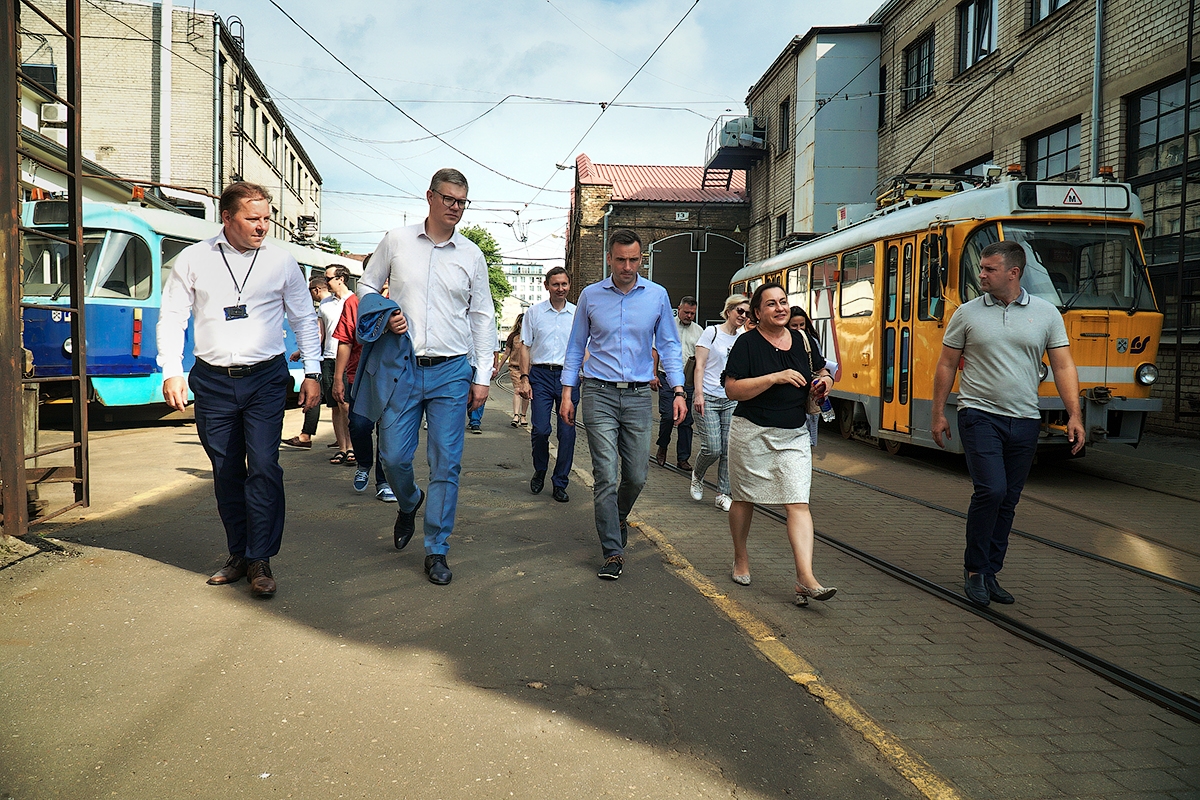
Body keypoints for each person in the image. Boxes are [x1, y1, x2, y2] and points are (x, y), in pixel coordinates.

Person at [157, 181, 321, 598]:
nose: (262, 226)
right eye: (253, 219)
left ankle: (260, 558)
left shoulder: (282, 262)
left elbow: (304, 318)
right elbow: (172, 315)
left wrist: (313, 372)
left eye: (266, 218)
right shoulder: (194, 259)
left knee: (264, 465)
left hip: (266, 378)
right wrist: (172, 370)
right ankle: (239, 554)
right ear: (227, 217)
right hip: (212, 381)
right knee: (226, 470)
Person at [356, 168, 497, 586]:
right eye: (449, 199)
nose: (455, 208)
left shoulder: (471, 255)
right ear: (431, 197)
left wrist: (483, 375)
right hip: (402, 367)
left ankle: (436, 548)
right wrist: (385, 313)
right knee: (393, 457)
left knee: (446, 463)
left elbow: (482, 316)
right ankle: (409, 501)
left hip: (452, 371)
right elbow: (365, 285)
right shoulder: (397, 241)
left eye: (462, 202)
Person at [930, 240, 1084, 607]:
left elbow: (1063, 365)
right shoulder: (966, 313)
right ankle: (974, 570)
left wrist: (1074, 414)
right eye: (981, 268)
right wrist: (937, 413)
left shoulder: (1046, 314)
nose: (981, 274)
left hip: (1025, 419)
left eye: (989, 269)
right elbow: (947, 364)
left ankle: (990, 571)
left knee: (1009, 499)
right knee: (992, 491)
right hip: (978, 414)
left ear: (1013, 273)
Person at [561, 229, 686, 580]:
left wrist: (678, 390)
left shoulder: (657, 296)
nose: (627, 267)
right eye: (620, 260)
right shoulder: (591, 295)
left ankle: (616, 516)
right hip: (598, 392)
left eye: (633, 260)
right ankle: (612, 551)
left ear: (641, 258)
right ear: (609, 259)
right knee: (605, 474)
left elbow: (670, 345)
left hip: (638, 396)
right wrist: (568, 392)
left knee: (636, 475)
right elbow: (575, 346)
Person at [723, 283, 835, 603]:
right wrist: (775, 377)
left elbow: (822, 371)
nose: (780, 308)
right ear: (757, 313)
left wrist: (824, 383)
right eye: (771, 304)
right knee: (744, 498)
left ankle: (805, 577)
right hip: (751, 432)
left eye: (783, 302)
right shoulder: (747, 343)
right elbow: (732, 389)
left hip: (794, 433)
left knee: (798, 501)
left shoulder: (802, 339)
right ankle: (741, 557)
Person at [515, 268, 577, 503]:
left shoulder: (577, 314)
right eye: (555, 284)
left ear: (569, 285)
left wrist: (584, 372)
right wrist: (525, 378)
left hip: (568, 377)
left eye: (564, 284)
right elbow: (525, 346)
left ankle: (560, 482)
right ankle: (540, 469)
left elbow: (586, 346)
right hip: (540, 375)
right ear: (546, 286)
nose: (560, 289)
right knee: (541, 429)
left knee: (567, 432)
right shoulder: (534, 313)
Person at [332, 272, 394, 502]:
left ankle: (384, 482)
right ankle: (364, 463)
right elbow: (345, 340)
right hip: (360, 376)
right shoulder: (355, 302)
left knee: (387, 430)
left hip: (393, 377)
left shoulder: (403, 299)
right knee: (359, 425)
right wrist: (338, 378)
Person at [689, 294, 748, 512]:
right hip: (708, 396)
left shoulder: (743, 338)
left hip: (731, 399)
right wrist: (698, 394)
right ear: (729, 311)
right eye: (740, 311)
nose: (743, 316)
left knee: (728, 448)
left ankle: (723, 493)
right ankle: (698, 475)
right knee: (713, 448)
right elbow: (700, 366)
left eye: (747, 313)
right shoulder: (711, 332)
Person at [282, 275, 332, 448]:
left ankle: (306, 436)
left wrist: (304, 352)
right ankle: (344, 439)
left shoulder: (324, 306)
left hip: (324, 358)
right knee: (339, 402)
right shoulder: (337, 303)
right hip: (334, 357)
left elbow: (319, 335)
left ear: (316, 290)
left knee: (314, 397)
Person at [654, 296, 701, 470]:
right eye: (686, 312)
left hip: (687, 380)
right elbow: (655, 350)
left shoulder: (699, 331)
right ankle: (663, 446)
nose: (689, 316)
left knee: (686, 421)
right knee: (668, 416)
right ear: (678, 309)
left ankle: (683, 458)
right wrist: (653, 374)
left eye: (692, 313)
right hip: (666, 378)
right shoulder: (667, 326)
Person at [319, 265, 354, 462]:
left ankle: (352, 446)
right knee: (334, 405)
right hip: (329, 358)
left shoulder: (354, 301)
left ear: (341, 279)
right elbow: (320, 333)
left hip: (349, 360)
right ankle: (341, 447)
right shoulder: (325, 304)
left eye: (329, 279)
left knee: (346, 404)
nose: (326, 283)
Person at [788, 306, 832, 447]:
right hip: (791, 398)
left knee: (809, 432)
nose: (799, 328)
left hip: (809, 393)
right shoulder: (783, 342)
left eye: (802, 324)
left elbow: (820, 367)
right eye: (794, 325)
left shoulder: (810, 341)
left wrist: (827, 379)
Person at [496, 313, 530, 428]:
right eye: (522, 322)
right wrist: (499, 367)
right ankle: (516, 416)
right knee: (517, 390)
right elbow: (506, 353)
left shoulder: (532, 335)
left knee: (526, 392)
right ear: (519, 323)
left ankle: (523, 416)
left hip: (528, 369)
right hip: (515, 368)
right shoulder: (513, 337)